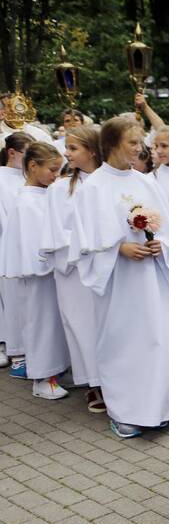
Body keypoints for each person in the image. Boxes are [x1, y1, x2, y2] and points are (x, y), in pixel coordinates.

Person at [71, 115, 169, 439]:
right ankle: (129, 409)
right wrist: (119, 248)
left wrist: (160, 243)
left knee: (163, 335)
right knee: (127, 341)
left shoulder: (144, 181)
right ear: (110, 145)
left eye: (141, 143)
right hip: (120, 281)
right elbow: (83, 240)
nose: (141, 149)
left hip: (152, 275)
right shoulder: (93, 187)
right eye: (133, 143)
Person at [40, 126, 106, 413]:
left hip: (110, 265)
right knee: (83, 325)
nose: (66, 154)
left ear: (92, 151)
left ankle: (118, 378)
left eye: (73, 148)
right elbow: (55, 233)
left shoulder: (108, 182)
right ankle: (94, 383)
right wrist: (83, 247)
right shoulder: (59, 189)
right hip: (75, 270)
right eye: (67, 147)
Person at [0, 142, 69, 399]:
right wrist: (46, 264)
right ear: (32, 166)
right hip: (38, 274)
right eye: (52, 170)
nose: (56, 176)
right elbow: (31, 243)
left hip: (51, 272)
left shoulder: (44, 195)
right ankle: (42, 378)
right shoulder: (27, 202)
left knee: (55, 324)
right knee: (41, 324)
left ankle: (56, 369)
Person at [0, 131, 33, 372]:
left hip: (30, 246)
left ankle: (31, 347)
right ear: (13, 152)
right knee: (10, 298)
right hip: (7, 245)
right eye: (27, 153)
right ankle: (14, 349)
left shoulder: (27, 177)